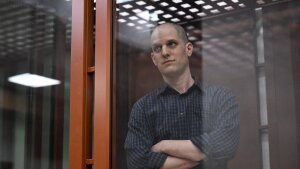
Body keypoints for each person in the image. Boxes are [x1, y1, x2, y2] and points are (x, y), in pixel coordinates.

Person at [124, 22, 239, 169]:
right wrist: (205, 154)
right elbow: (137, 162)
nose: (164, 52)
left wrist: (164, 146)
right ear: (154, 59)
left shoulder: (220, 97)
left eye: (171, 44)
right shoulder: (143, 108)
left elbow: (226, 144)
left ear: (189, 49)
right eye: (157, 48)